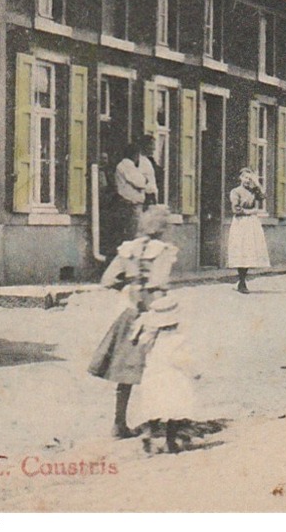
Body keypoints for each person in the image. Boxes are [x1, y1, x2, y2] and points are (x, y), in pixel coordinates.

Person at [89, 205, 178, 438]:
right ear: (163, 228)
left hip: (129, 313)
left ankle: (118, 424)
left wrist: (129, 286)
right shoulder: (164, 251)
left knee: (125, 370)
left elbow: (107, 280)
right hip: (154, 313)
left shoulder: (128, 249)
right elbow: (158, 284)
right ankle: (158, 421)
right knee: (161, 367)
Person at [130, 295, 201, 454]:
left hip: (153, 379)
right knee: (173, 412)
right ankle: (170, 441)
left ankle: (150, 434)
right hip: (172, 381)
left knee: (155, 408)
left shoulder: (151, 340)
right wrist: (194, 372)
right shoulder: (178, 340)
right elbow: (182, 360)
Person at [108, 135, 159, 255]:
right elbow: (140, 181)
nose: (153, 149)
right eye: (151, 146)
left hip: (137, 203)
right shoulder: (128, 165)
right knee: (133, 236)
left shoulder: (144, 162)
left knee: (136, 236)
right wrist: (144, 182)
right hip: (131, 204)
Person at [226, 168, 271, 293]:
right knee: (241, 250)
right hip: (241, 223)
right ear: (240, 178)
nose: (247, 180)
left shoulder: (253, 191)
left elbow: (263, 196)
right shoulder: (235, 191)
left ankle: (242, 281)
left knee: (249, 250)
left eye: (249, 178)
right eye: (245, 177)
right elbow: (236, 209)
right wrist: (251, 211)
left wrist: (257, 183)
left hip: (251, 224)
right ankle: (241, 282)